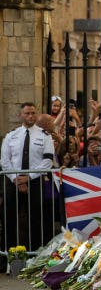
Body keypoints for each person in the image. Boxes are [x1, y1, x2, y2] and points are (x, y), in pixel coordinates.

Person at [1, 102, 55, 251]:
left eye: (33, 113)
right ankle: (7, 256)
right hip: (13, 182)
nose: (30, 116)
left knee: (36, 219)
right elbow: (5, 161)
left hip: (35, 182)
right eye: (27, 113)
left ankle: (35, 254)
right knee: (9, 219)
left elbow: (48, 161)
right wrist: (17, 180)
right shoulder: (11, 136)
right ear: (21, 115)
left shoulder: (45, 136)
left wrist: (29, 177)